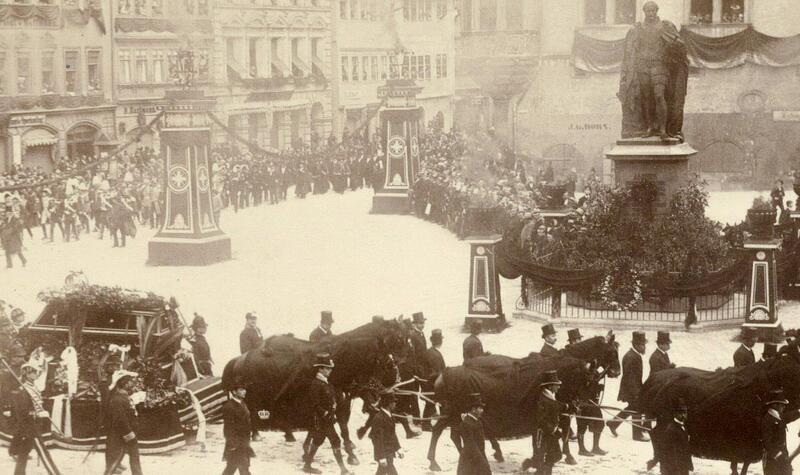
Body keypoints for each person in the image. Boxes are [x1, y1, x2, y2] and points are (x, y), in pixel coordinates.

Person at [303, 353, 352, 475]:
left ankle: (307, 465)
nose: (330, 370)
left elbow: (331, 397)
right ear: (320, 369)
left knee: (317, 441)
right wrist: (326, 414)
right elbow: (315, 404)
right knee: (335, 440)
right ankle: (343, 470)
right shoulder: (316, 384)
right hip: (322, 420)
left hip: (328, 419)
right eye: (327, 368)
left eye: (330, 368)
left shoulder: (326, 383)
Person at [10, 363, 54, 475]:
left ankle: (19, 473)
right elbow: (23, 411)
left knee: (24, 452)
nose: (36, 374)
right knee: (39, 452)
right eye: (33, 372)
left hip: (34, 424)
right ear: (27, 374)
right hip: (28, 426)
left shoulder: (33, 387)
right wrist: (38, 414)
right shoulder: (23, 389)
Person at [607, 331, 649, 442]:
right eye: (642, 345)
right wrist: (636, 393)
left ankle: (612, 423)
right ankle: (637, 434)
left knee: (631, 408)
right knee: (636, 409)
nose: (644, 347)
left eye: (644, 344)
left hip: (633, 387)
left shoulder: (634, 355)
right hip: (631, 389)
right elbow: (630, 377)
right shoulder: (631, 357)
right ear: (636, 345)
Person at [104, 369, 143, 475]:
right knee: (115, 462)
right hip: (119, 435)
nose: (132, 383)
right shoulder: (117, 398)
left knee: (134, 457)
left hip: (127, 433)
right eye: (130, 381)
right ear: (124, 383)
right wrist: (128, 434)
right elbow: (120, 419)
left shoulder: (124, 396)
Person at [532, 371, 567, 475]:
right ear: (551, 386)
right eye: (557, 385)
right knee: (545, 456)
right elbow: (540, 419)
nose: (559, 387)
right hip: (543, 433)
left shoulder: (550, 396)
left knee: (556, 455)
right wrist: (552, 429)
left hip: (551, 432)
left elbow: (556, 406)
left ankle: (543, 471)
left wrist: (567, 406)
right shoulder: (542, 399)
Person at [761, 389, 800, 475]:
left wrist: (799, 411)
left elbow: (789, 416)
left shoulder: (778, 416)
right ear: (775, 405)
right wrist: (778, 455)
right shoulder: (768, 419)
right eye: (782, 405)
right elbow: (766, 442)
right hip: (772, 460)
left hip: (782, 457)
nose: (784, 407)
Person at [222, 378, 255, 475]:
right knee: (244, 468)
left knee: (231, 468)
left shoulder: (243, 403)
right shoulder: (229, 406)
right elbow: (228, 428)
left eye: (244, 389)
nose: (244, 391)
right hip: (236, 444)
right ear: (234, 392)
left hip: (244, 442)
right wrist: (232, 444)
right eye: (241, 390)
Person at [457, 393, 491, 475]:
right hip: (470, 459)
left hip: (478, 455)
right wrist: (481, 460)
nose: (482, 410)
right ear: (473, 409)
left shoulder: (476, 421)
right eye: (480, 408)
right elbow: (470, 443)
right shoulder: (467, 423)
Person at [657, 398, 693, 475]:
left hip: (682, 467)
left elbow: (686, 449)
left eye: (685, 412)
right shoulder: (671, 430)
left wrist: (689, 465)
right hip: (673, 469)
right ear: (674, 414)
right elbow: (669, 453)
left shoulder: (683, 427)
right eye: (680, 413)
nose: (683, 415)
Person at [369, 393, 401, 475]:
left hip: (389, 452)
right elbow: (377, 440)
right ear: (388, 403)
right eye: (393, 402)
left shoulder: (390, 416)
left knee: (381, 473)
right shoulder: (379, 418)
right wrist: (381, 457)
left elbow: (393, 434)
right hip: (384, 453)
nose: (395, 404)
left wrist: (398, 448)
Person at [422, 329, 446, 430]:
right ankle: (426, 425)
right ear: (440, 341)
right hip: (434, 383)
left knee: (430, 403)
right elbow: (437, 371)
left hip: (429, 382)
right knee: (431, 402)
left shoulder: (430, 351)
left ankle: (428, 423)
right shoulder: (435, 355)